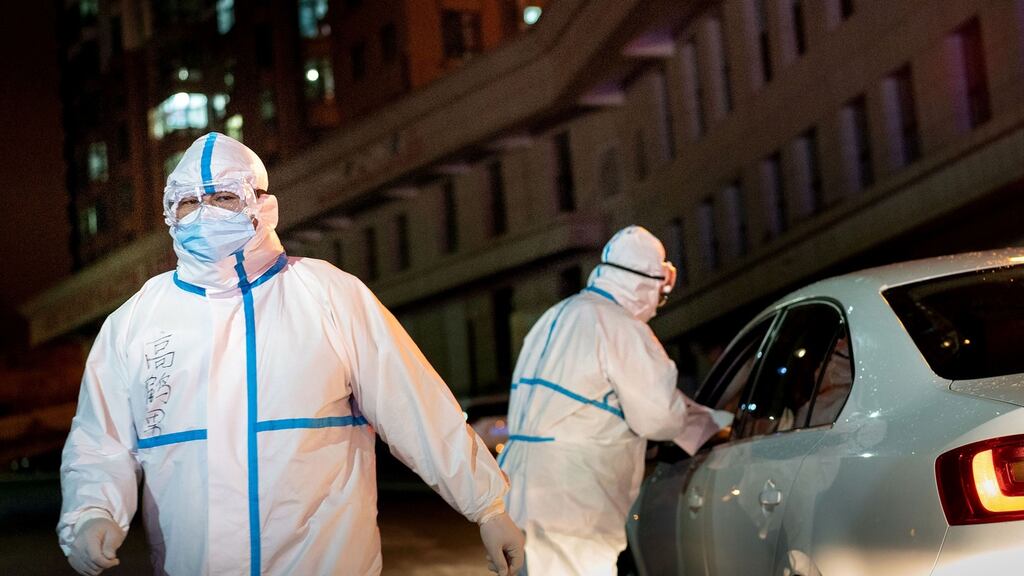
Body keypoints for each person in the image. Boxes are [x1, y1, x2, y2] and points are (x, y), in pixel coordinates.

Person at [57, 132, 525, 576]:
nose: (204, 214)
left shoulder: (328, 296)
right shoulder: (135, 323)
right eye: (188, 202)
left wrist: (487, 504)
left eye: (223, 198)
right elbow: (100, 441)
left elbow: (415, 406)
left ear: (263, 206)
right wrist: (91, 513)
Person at [499, 225, 727, 575]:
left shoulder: (556, 316)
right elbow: (659, 419)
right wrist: (705, 426)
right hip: (575, 499)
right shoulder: (621, 327)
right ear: (648, 284)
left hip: (520, 488)